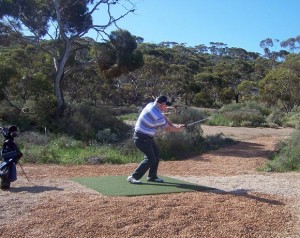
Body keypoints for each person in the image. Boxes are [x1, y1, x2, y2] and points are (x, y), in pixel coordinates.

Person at [127, 96, 185, 184]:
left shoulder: (151, 105)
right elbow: (168, 129)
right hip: (141, 138)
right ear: (162, 104)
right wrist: (178, 129)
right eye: (166, 105)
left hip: (146, 137)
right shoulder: (156, 115)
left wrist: (174, 126)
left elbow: (164, 119)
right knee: (150, 158)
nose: (166, 107)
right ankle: (133, 177)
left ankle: (152, 176)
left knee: (156, 154)